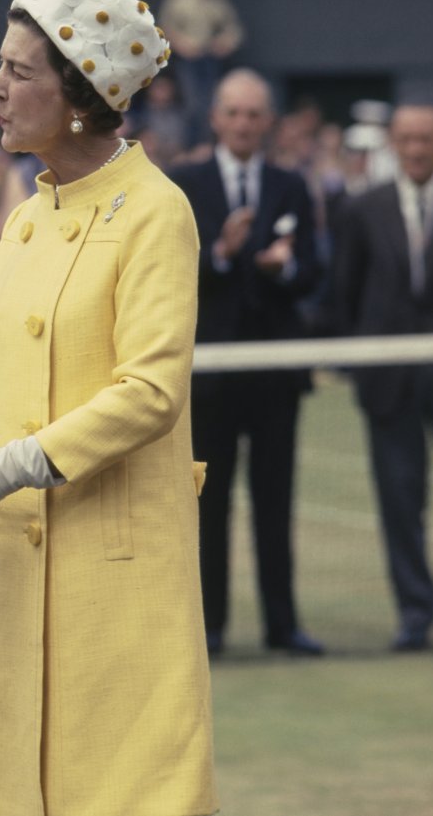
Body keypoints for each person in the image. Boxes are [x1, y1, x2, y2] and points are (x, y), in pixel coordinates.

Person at [0, 0, 216, 816]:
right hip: (17, 573)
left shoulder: (157, 209)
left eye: (17, 71)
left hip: (114, 580)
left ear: (79, 94)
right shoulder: (24, 213)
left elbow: (150, 390)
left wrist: (9, 466)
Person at [169, 69, 324, 656]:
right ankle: (209, 628)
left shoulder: (291, 185)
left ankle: (283, 626)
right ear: (215, 118)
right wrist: (226, 256)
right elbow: (172, 272)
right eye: (232, 112)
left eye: (253, 114)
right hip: (209, 375)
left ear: (269, 123)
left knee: (275, 500)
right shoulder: (184, 183)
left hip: (275, 373)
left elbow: (312, 270)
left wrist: (283, 267)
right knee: (209, 503)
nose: (242, 123)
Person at [332, 104, 433, 651]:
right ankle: (415, 614)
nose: (416, 150)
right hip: (389, 381)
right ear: (393, 144)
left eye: (426, 139)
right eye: (407, 140)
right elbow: (344, 293)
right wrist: (359, 363)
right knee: (400, 497)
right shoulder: (362, 210)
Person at [154, 0, 244, 144]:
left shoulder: (217, 0)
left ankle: (208, 144)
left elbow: (234, 31)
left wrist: (223, 44)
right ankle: (188, 145)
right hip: (183, 61)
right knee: (190, 105)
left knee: (211, 104)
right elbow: (164, 28)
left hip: (210, 59)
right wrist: (182, 44)